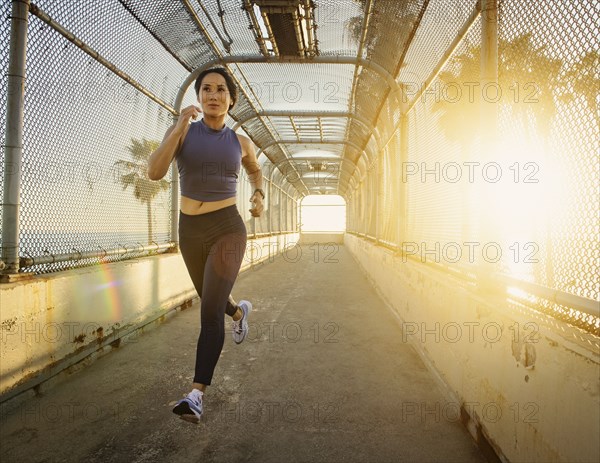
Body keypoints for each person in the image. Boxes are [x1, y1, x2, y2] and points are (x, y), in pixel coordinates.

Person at [148, 67, 264, 424]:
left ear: (232, 98)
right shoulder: (181, 132)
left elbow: (255, 170)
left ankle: (196, 394)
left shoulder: (241, 142)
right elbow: (154, 171)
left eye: (221, 90)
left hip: (228, 227)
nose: (213, 96)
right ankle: (240, 313)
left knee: (208, 312)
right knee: (209, 297)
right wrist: (180, 125)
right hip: (190, 230)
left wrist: (259, 194)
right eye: (206, 90)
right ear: (198, 97)